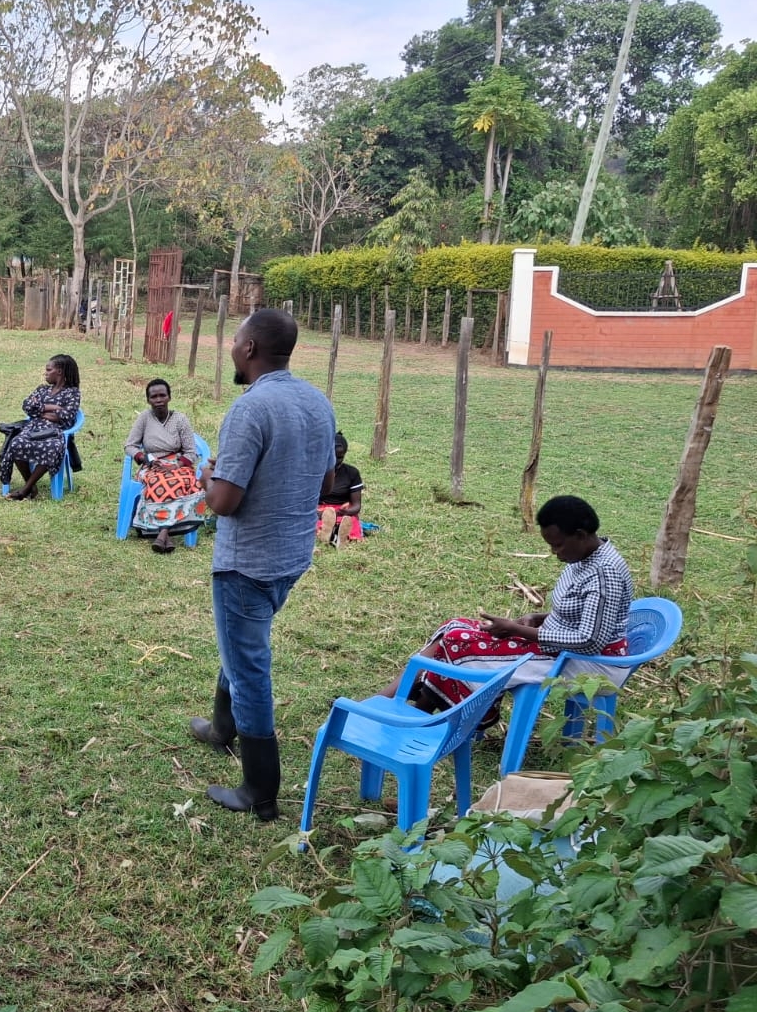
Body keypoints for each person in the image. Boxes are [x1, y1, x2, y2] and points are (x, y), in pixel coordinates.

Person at [188, 308, 336, 822]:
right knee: (242, 645)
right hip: (291, 556)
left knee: (249, 666)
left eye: (235, 340)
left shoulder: (249, 409)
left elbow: (224, 502)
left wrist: (208, 480)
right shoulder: (317, 402)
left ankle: (260, 790)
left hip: (246, 563)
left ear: (249, 349)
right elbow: (326, 484)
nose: (232, 348)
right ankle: (221, 728)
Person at [382, 494, 634, 711]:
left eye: (557, 545)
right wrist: (540, 618)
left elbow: (589, 640)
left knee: (460, 643)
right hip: (560, 646)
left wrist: (516, 630)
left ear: (580, 535)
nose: (554, 552)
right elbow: (583, 613)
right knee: (454, 627)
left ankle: (418, 714)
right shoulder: (584, 559)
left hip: (591, 664)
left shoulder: (604, 572)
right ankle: (393, 700)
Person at [124, 378, 206, 554]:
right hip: (152, 465)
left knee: (182, 481)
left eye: (162, 395)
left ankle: (162, 533)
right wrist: (144, 458)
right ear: (148, 400)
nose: (159, 400)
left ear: (169, 397)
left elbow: (191, 451)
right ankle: (165, 534)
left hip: (178, 465)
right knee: (158, 481)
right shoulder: (144, 419)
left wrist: (176, 465)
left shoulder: (180, 419)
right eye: (154, 397)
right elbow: (129, 446)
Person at [0, 354, 81, 500]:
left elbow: (66, 416)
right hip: (33, 428)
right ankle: (31, 486)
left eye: (49, 370)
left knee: (51, 447)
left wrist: (39, 410)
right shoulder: (42, 389)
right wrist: (53, 407)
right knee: (16, 443)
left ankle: (25, 490)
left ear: (60, 372)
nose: (46, 373)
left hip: (55, 431)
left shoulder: (72, 393)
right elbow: (27, 405)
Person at [316, 432, 364, 545]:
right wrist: (318, 513)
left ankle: (337, 534)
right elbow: (304, 500)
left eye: (340, 457)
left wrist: (345, 512)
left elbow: (356, 505)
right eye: (332, 456)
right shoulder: (314, 471)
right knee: (311, 521)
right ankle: (331, 534)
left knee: (350, 521)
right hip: (319, 510)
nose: (336, 461)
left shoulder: (352, 473)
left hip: (341, 511)